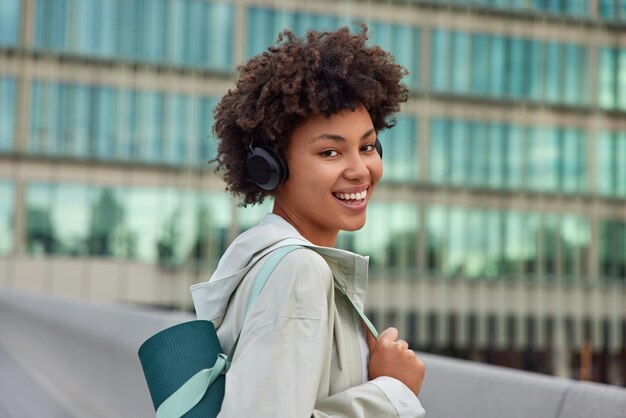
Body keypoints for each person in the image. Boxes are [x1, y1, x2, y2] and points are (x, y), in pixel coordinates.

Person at [191, 25, 426, 417]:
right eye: (331, 152)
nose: (360, 170)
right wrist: (392, 391)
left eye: (367, 147)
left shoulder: (262, 259)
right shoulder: (299, 271)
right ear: (271, 169)